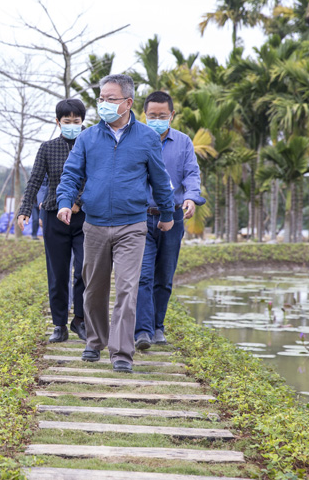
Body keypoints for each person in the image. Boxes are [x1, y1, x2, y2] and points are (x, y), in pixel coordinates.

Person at [56, 74, 174, 373]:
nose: (103, 104)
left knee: (127, 288)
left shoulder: (147, 138)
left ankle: (122, 351)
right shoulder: (87, 137)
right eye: (101, 99)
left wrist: (167, 215)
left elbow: (160, 180)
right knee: (94, 289)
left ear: (128, 102)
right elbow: (71, 175)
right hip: (94, 224)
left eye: (110, 99)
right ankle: (95, 341)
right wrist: (64, 202)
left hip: (132, 225)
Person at [135, 91, 205, 349]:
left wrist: (191, 198)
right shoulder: (135, 140)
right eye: (152, 116)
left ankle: (157, 326)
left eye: (162, 116)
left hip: (173, 215)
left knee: (164, 276)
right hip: (141, 216)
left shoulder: (184, 142)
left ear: (172, 115)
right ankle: (141, 331)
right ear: (144, 115)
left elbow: (191, 175)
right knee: (142, 276)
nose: (156, 120)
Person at [17, 99, 87, 343]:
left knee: (84, 270)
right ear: (58, 122)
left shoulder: (91, 144)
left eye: (76, 122)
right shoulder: (48, 148)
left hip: (84, 218)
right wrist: (24, 210)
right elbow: (35, 180)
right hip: (53, 215)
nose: (71, 125)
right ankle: (59, 324)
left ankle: (80, 320)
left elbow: (96, 178)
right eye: (66, 122)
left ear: (82, 122)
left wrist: (79, 201)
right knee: (58, 274)